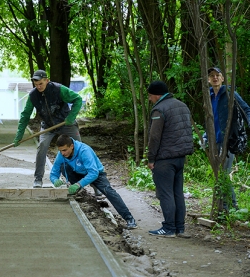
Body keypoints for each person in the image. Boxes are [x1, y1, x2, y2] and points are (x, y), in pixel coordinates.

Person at [13, 69, 97, 192]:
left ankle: (95, 184)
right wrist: (19, 134)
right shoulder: (33, 96)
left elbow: (77, 99)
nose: (38, 87)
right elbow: (25, 115)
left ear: (47, 80)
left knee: (80, 149)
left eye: (41, 83)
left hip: (66, 122)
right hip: (48, 125)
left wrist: (71, 117)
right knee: (42, 147)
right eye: (36, 85)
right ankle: (38, 179)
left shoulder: (59, 89)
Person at [50, 135, 137, 229]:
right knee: (64, 166)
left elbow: (93, 173)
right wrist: (55, 180)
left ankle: (129, 219)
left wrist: (79, 184)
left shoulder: (84, 151)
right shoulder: (61, 155)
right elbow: (53, 173)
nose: (62, 153)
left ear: (71, 146)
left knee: (108, 191)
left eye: (64, 150)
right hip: (78, 173)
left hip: (96, 174)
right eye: (60, 150)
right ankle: (79, 191)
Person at [147, 80, 194, 238]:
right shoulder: (182, 106)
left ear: (156, 95)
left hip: (164, 159)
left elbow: (154, 137)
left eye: (150, 96)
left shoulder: (159, 109)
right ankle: (179, 228)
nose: (149, 99)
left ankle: (168, 228)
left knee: (166, 193)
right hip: (180, 158)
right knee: (177, 193)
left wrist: (151, 158)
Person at [205, 67, 250, 211]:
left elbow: (246, 109)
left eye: (217, 75)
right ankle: (226, 206)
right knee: (219, 174)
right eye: (212, 76)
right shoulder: (208, 95)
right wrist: (206, 136)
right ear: (208, 80)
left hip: (228, 140)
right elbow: (209, 119)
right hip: (214, 140)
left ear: (223, 78)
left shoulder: (230, 94)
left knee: (223, 173)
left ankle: (229, 205)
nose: (215, 78)